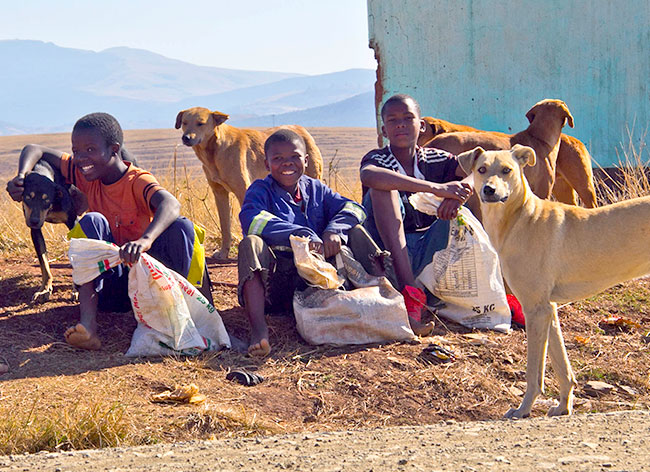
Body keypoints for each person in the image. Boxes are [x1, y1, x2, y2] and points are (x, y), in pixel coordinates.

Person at [6, 112, 212, 350]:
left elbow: (171, 204)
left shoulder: (137, 180)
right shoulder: (85, 173)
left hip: (152, 286)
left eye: (90, 150)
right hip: (113, 291)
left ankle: (187, 316)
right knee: (91, 221)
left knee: (182, 226)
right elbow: (34, 149)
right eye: (76, 151)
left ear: (114, 149)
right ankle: (89, 327)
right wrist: (21, 177)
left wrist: (145, 240)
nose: (81, 158)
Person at [238, 129, 386, 357]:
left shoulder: (316, 188)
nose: (287, 163)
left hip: (321, 284)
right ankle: (259, 330)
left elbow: (355, 208)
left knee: (355, 231)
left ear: (306, 161)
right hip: (278, 287)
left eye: (295, 157)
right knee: (251, 242)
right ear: (266, 164)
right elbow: (252, 221)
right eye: (277, 159)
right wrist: (301, 234)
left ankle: (386, 301)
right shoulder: (260, 190)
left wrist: (334, 231)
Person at [359, 94, 473, 330]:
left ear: (421, 126)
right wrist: (436, 188)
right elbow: (369, 176)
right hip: (386, 252)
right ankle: (410, 292)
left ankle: (502, 289)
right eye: (393, 120)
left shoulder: (436, 159)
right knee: (382, 190)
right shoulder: (377, 158)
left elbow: (478, 171)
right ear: (384, 130)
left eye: (408, 118)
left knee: (478, 198)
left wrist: (460, 195)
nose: (400, 124)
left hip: (426, 248)